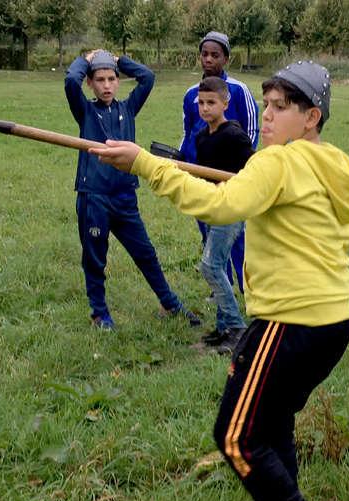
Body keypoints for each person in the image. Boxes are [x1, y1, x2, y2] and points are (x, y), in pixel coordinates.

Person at [91, 61, 349, 501]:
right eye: (266, 103)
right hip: (334, 325)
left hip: (291, 323)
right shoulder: (342, 167)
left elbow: (221, 206)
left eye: (281, 107)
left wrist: (145, 164)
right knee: (274, 418)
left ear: (313, 117)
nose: (267, 115)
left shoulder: (275, 163)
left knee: (236, 436)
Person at [64, 49, 199, 330]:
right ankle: (99, 314)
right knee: (95, 257)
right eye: (99, 80)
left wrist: (118, 61)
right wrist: (85, 61)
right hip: (95, 198)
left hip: (125, 196)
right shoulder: (85, 112)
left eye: (112, 79)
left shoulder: (128, 108)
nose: (107, 85)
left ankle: (169, 302)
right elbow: (69, 82)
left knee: (145, 253)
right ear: (90, 83)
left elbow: (147, 78)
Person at [180, 31, 259, 295]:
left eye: (215, 55)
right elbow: (188, 131)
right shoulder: (191, 94)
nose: (209, 59)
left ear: (226, 58)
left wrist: (244, 173)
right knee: (209, 234)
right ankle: (220, 290)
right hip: (200, 178)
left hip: (232, 179)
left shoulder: (238, 90)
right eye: (205, 54)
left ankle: (250, 291)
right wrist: (182, 160)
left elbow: (251, 131)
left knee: (238, 238)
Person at [193, 76, 253, 353]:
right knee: (218, 265)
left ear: (225, 103)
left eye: (211, 103)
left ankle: (237, 328)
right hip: (212, 207)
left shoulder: (235, 136)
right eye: (201, 103)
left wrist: (229, 183)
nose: (205, 108)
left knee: (210, 266)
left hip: (232, 207)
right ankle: (223, 328)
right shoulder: (202, 137)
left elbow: (252, 173)